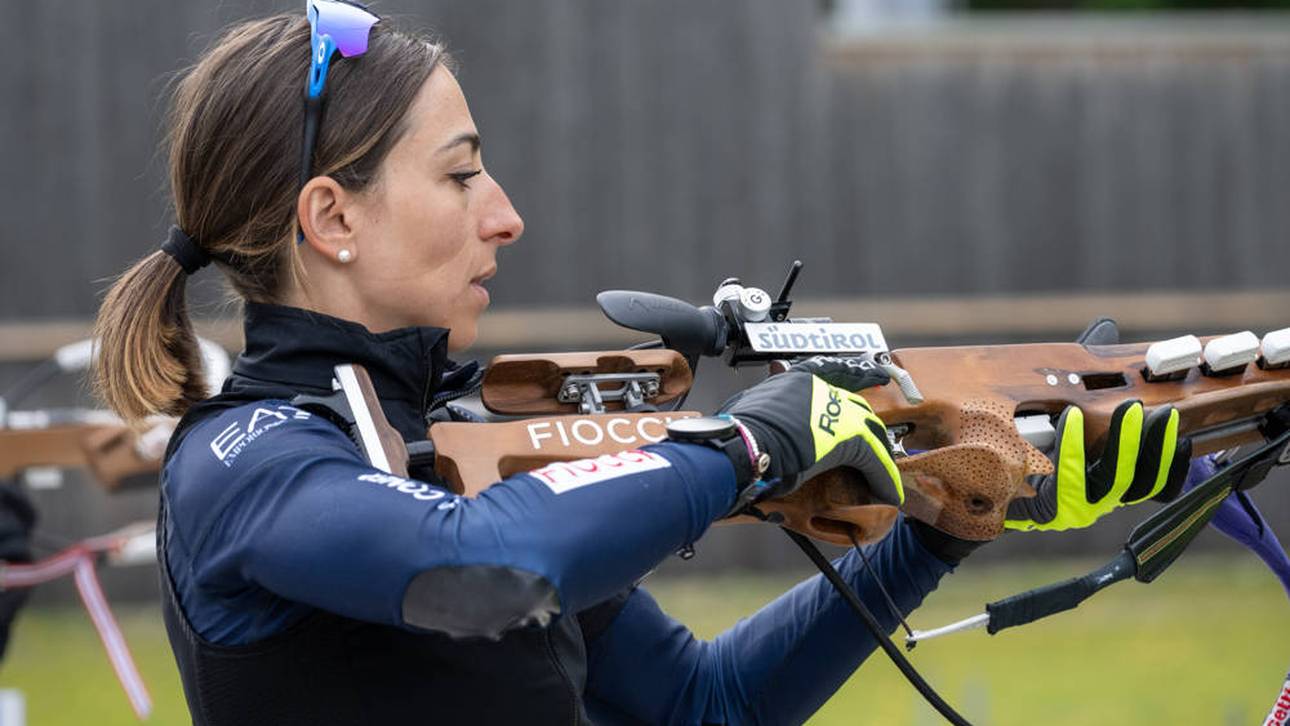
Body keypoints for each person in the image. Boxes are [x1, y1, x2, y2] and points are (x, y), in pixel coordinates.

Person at [92, 6, 1189, 725]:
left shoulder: (455, 438)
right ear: (332, 217)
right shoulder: (245, 460)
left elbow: (709, 707)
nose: (505, 216)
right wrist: (747, 444)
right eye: (461, 176)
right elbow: (482, 566)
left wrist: (936, 534)